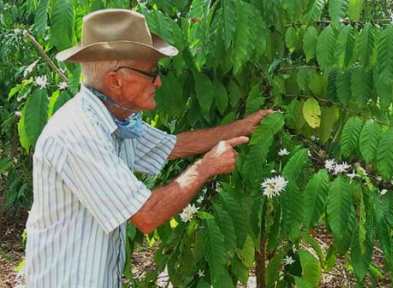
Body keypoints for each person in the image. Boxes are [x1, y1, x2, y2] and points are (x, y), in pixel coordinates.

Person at [24, 8, 273, 287]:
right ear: (115, 80)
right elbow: (147, 215)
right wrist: (206, 167)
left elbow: (174, 145)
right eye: (151, 72)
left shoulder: (115, 119)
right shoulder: (77, 134)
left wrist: (244, 126)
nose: (158, 81)